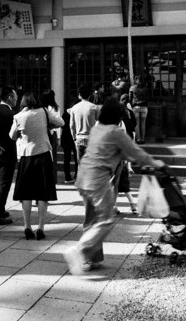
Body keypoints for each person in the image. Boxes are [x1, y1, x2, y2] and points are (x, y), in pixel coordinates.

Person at [64, 97, 164, 275]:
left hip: (84, 176)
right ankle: (80, 251)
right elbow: (135, 151)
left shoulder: (97, 129)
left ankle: (92, 259)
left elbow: (116, 152)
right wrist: (155, 164)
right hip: (98, 179)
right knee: (106, 220)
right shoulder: (116, 132)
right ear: (118, 116)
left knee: (91, 218)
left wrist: (130, 158)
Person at [10, 90, 63, 240]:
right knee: (42, 193)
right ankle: (40, 227)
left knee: (26, 193)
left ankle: (27, 226)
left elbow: (11, 136)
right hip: (44, 154)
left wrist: (21, 132)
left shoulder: (18, 116)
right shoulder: (44, 112)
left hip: (26, 156)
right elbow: (61, 122)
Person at [0, 86, 18, 226]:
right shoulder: (10, 114)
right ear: (9, 98)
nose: (16, 99)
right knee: (4, 184)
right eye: (15, 96)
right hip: (7, 152)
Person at [67, 83, 98, 173]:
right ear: (90, 95)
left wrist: (74, 138)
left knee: (80, 164)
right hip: (91, 137)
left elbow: (71, 125)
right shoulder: (93, 107)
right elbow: (99, 122)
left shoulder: (74, 108)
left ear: (79, 95)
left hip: (79, 138)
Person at [130, 74, 150, 144]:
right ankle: (143, 139)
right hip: (144, 107)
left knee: (137, 124)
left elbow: (130, 98)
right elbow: (147, 98)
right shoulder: (145, 88)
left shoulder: (132, 88)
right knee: (143, 124)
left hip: (136, 107)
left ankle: (138, 139)